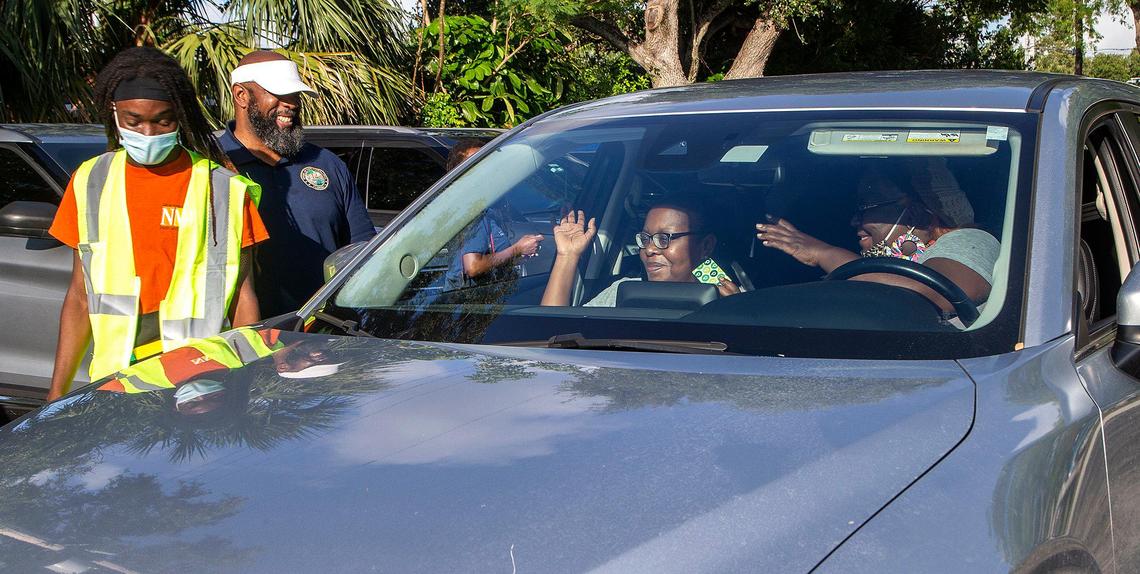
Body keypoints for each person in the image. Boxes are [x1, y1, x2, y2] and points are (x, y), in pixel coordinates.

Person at [47, 47, 268, 401]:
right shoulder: (89, 181)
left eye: (163, 121)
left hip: (204, 381)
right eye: (134, 121)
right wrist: (56, 394)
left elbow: (244, 297)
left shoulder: (223, 189)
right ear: (114, 114)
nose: (148, 133)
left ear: (180, 117)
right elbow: (79, 294)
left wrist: (249, 381)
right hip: (116, 381)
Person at [220, 50, 375, 317]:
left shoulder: (327, 163)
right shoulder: (215, 167)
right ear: (241, 95)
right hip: (252, 344)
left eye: (294, 95)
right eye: (279, 94)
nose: (291, 104)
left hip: (326, 338)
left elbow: (362, 254)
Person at [755, 161, 999, 312]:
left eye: (865, 207)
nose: (854, 221)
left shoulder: (971, 240)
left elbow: (929, 293)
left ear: (913, 213)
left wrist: (824, 253)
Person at [541, 199, 739, 307]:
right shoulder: (620, 291)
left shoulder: (728, 300)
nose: (649, 249)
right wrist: (567, 256)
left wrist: (733, 311)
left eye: (664, 238)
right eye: (645, 238)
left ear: (705, 246)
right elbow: (551, 333)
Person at [442, 140, 544, 290]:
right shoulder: (471, 208)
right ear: (461, 174)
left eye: (487, 162)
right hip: (469, 303)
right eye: (476, 165)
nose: (485, 169)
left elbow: (492, 257)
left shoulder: (486, 205)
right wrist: (517, 249)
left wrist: (519, 254)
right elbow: (473, 266)